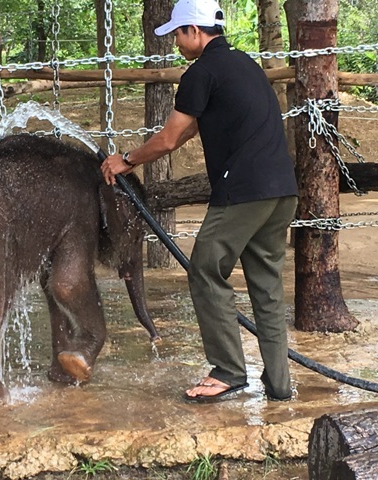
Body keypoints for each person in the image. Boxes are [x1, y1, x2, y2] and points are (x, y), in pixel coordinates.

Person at [101, 0, 298, 402]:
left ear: (195, 30)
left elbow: (171, 137)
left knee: (206, 270)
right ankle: (279, 385)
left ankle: (228, 370)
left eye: (177, 33)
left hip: (243, 193)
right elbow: (189, 130)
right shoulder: (245, 65)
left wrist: (126, 160)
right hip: (281, 192)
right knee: (266, 287)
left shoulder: (201, 72)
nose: (176, 41)